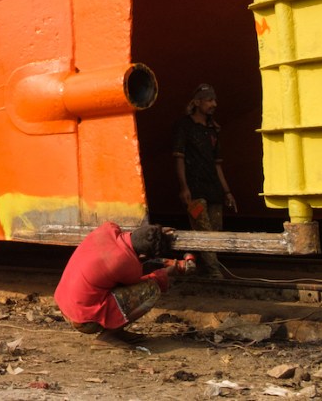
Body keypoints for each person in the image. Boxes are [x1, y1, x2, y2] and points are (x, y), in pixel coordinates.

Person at [53, 221, 194, 346]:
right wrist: (166, 272)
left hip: (65, 305)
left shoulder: (108, 228)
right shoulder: (126, 263)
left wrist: (158, 232)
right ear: (143, 256)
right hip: (84, 321)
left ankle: (114, 330)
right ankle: (109, 336)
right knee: (152, 289)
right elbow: (140, 281)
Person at [173, 83, 236, 277]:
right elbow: (179, 158)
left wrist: (227, 192)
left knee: (215, 232)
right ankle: (215, 273)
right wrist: (184, 188)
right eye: (209, 100)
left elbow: (217, 165)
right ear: (198, 102)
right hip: (194, 191)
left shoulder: (213, 130)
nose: (214, 104)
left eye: (214, 100)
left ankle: (197, 264)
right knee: (203, 230)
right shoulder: (184, 127)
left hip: (214, 191)